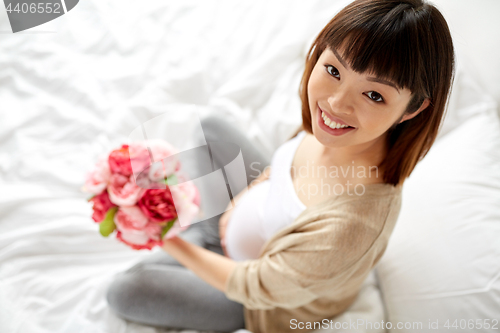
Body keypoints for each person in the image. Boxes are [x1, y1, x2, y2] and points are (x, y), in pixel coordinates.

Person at [105, 0, 455, 332]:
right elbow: (279, 168)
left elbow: (253, 286)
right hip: (239, 227)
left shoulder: (353, 225)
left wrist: (163, 235)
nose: (336, 103)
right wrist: (239, 204)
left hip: (258, 300)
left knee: (125, 289)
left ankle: (196, 242)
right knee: (210, 128)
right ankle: (206, 235)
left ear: (413, 109)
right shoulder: (335, 127)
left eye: (374, 95)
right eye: (333, 70)